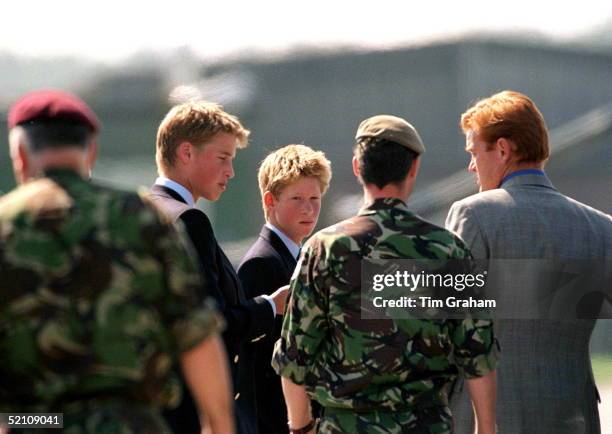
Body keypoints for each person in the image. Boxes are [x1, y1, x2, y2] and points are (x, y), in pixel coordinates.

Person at [0, 89, 233, 434]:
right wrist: (220, 425)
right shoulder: (144, 218)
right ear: (91, 151)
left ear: (20, 155)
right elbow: (196, 335)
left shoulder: (6, 225)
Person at [272, 115, 499, 434]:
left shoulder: (325, 249)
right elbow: (477, 351)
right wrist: (487, 428)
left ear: (356, 167)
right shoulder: (447, 250)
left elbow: (294, 356)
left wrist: (301, 428)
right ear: (414, 168)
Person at [446, 90, 612, 434]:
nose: (471, 166)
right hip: (575, 416)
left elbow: (451, 321)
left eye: (475, 152)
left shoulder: (473, 215)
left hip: (488, 418)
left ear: (503, 149)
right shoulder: (601, 227)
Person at [149, 101, 289, 434]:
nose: (231, 172)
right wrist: (272, 305)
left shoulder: (143, 213)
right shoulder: (188, 220)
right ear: (186, 153)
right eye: (223, 158)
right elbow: (212, 325)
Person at [237, 144, 332, 434]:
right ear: (270, 200)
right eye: (297, 198)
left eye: (315, 198)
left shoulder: (295, 255)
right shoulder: (261, 263)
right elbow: (260, 368)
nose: (309, 208)